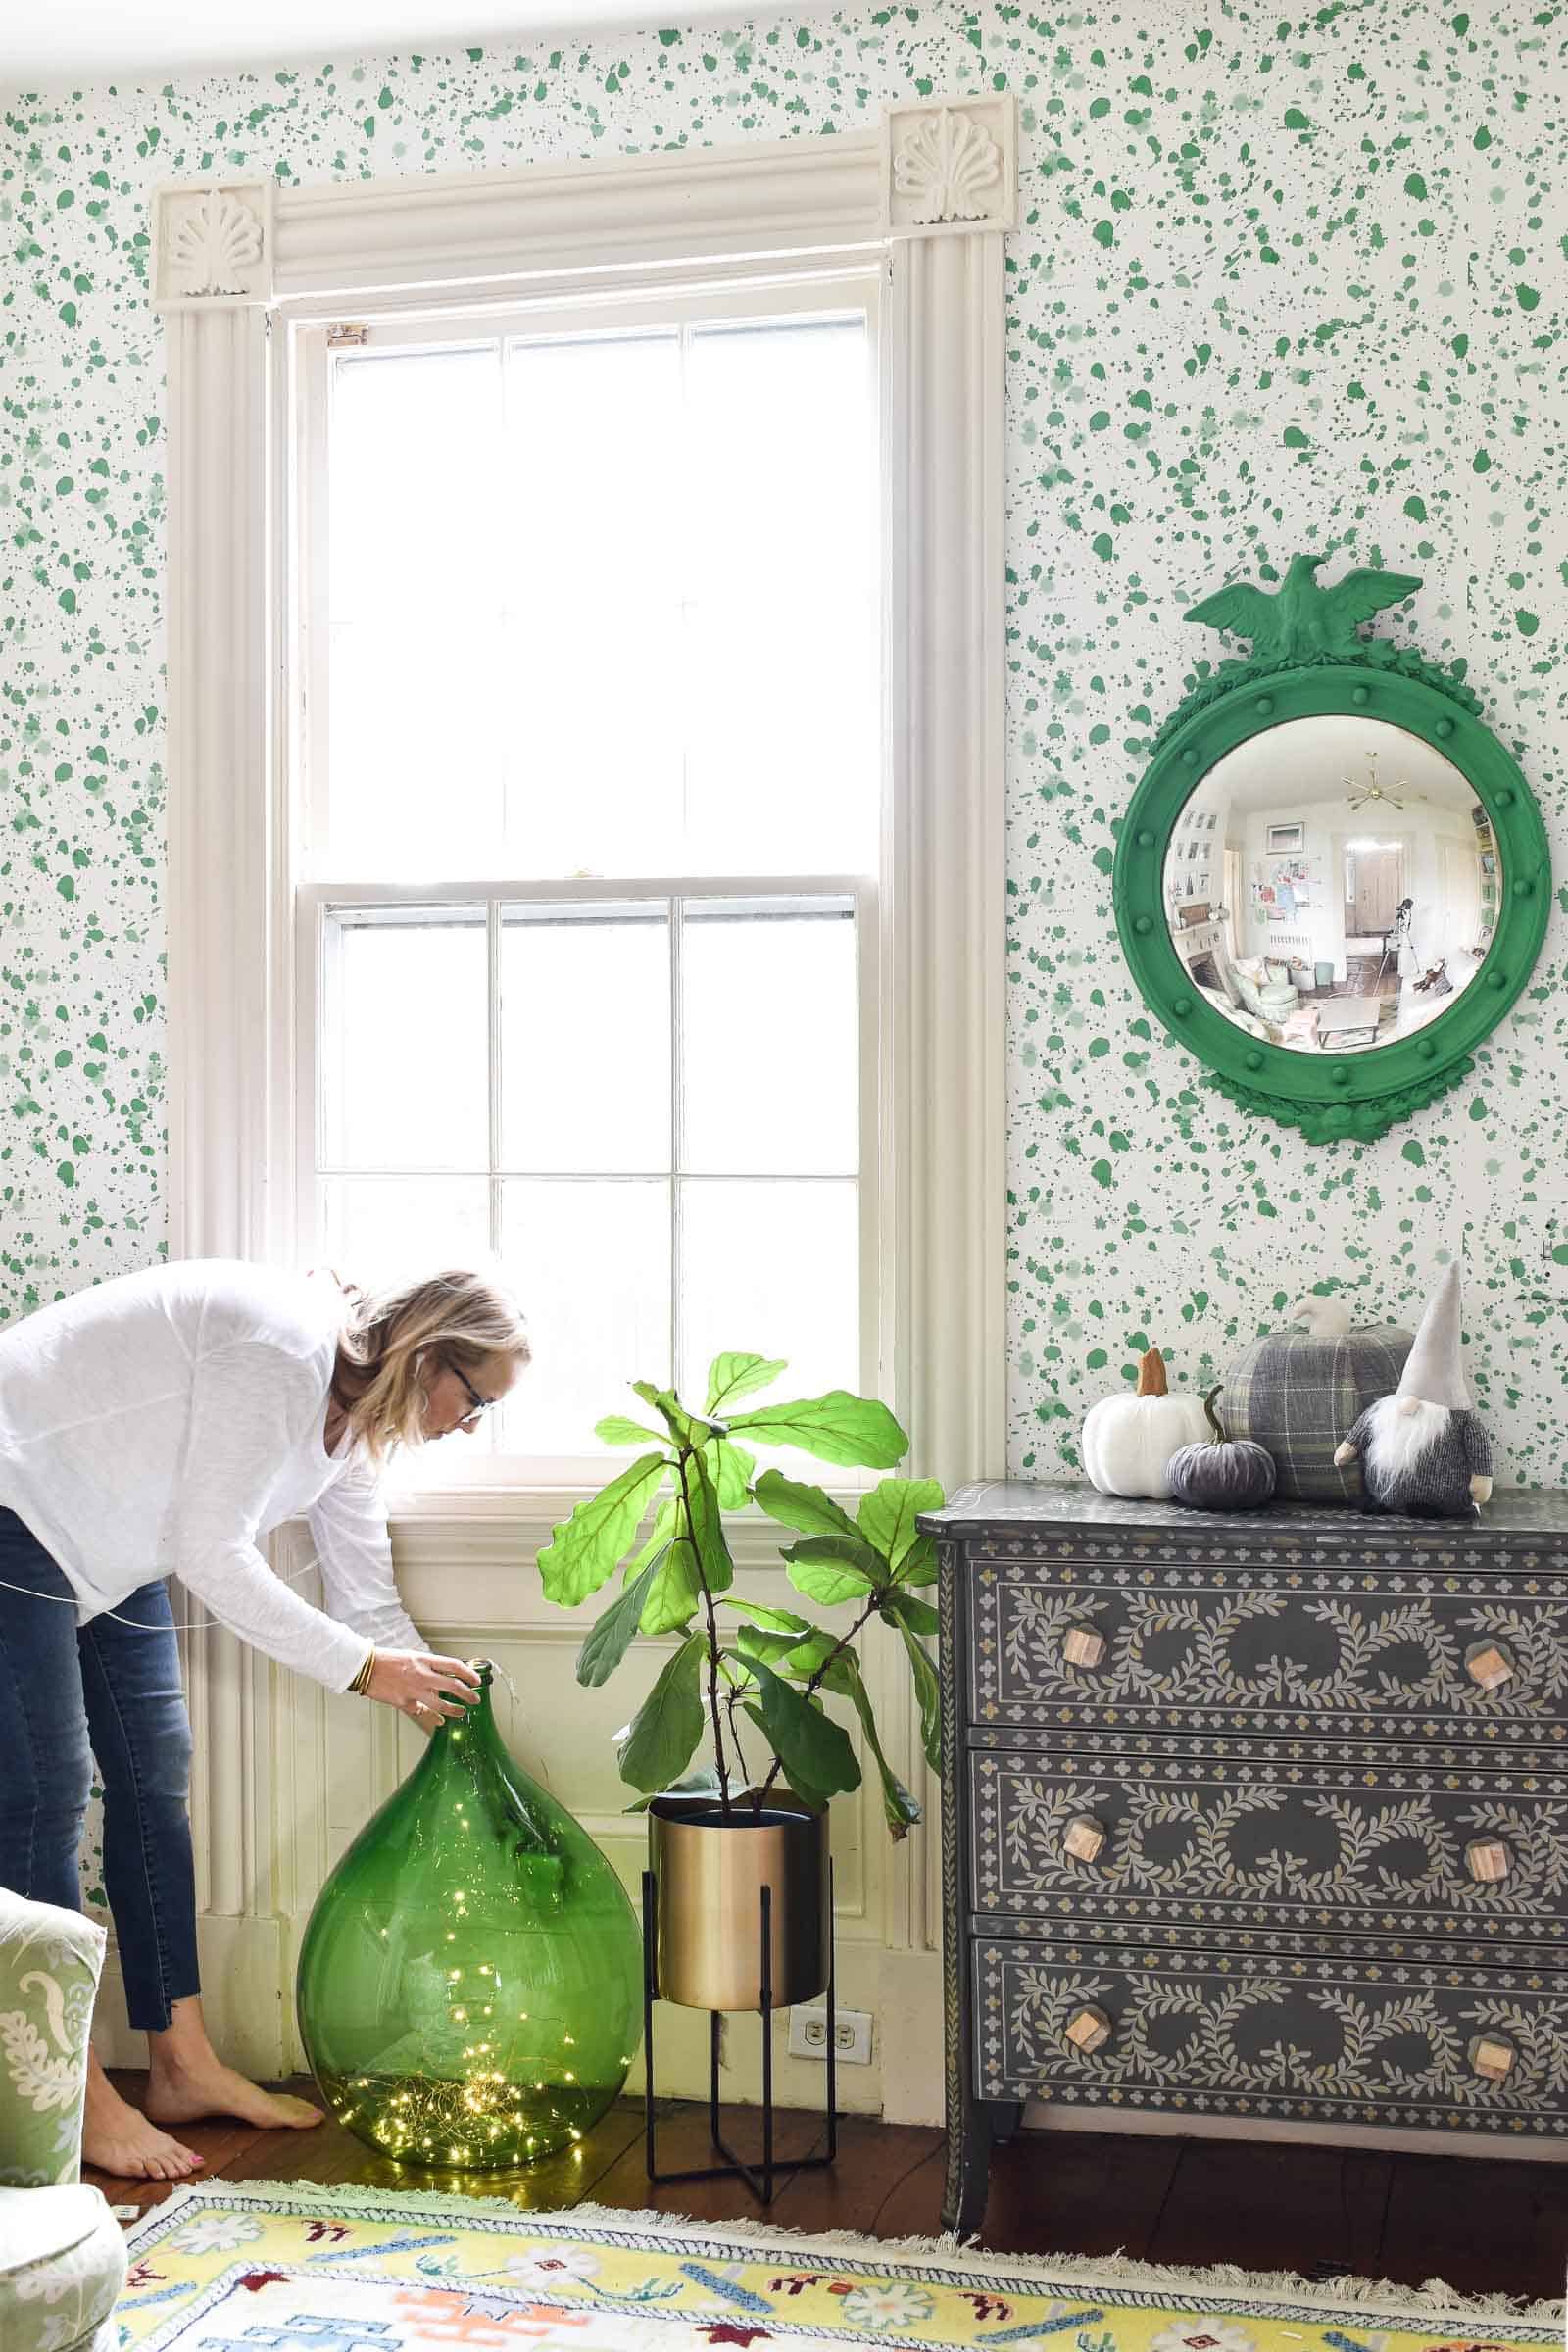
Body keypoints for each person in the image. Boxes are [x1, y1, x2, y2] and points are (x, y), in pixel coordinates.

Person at [0, 1257, 529, 2182]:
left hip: (109, 1545)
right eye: (475, 1399)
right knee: (47, 1793)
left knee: (154, 1772)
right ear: (430, 1355)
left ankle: (181, 2062)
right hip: (17, 1499)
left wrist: (448, 1714)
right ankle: (66, 2095)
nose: (468, 1424)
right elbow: (215, 1550)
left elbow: (370, 1610)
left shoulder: (355, 1440)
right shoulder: (287, 1346)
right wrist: (371, 1675)